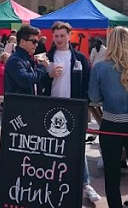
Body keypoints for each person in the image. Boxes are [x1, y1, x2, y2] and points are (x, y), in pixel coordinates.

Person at [40, 21, 100, 203]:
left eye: (62, 36)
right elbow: (38, 82)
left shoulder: (80, 58)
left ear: (69, 36)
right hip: (51, 107)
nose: (58, 39)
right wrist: (47, 75)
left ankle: (85, 183)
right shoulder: (45, 57)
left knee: (77, 147)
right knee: (50, 147)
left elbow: (87, 84)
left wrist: (84, 104)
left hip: (74, 108)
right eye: (56, 36)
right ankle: (50, 181)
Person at [88, 26, 128, 208]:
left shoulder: (100, 68)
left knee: (112, 176)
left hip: (111, 125)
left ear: (111, 43)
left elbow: (94, 98)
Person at [4, 25, 48, 95]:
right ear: (22, 42)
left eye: (37, 42)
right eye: (34, 41)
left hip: (29, 103)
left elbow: (36, 81)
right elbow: (25, 80)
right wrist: (42, 68)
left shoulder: (28, 58)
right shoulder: (15, 60)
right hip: (18, 104)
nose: (36, 45)